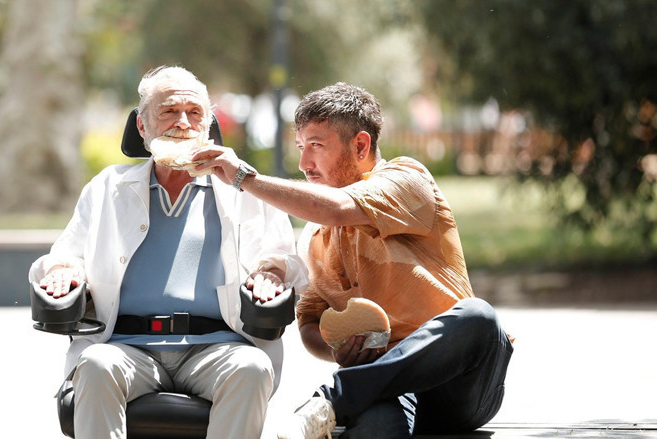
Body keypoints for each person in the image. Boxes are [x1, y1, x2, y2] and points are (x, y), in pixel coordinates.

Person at [193, 82, 514, 439]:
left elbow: (336, 208)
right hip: (385, 385)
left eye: (316, 146)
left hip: (460, 384)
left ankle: (333, 397)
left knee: (479, 318)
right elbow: (309, 324)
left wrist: (243, 178)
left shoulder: (407, 179)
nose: (303, 164)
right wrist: (338, 352)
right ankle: (341, 400)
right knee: (376, 427)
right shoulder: (314, 237)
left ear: (360, 145)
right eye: (300, 147)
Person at [27, 66, 308, 439]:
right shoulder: (108, 188)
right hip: (126, 346)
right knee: (95, 365)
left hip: (217, 345)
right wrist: (64, 270)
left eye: (195, 114)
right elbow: (66, 255)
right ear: (142, 128)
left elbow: (286, 260)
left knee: (253, 368)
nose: (183, 123)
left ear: (208, 126)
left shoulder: (245, 188)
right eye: (168, 112)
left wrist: (272, 273)